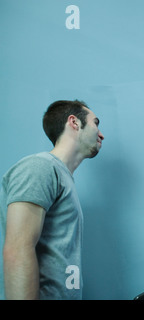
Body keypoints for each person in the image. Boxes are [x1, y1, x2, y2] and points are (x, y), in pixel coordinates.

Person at [0, 100, 104, 299]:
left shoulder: (63, 177)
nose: (101, 134)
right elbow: (17, 250)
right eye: (95, 123)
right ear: (74, 122)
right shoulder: (40, 167)